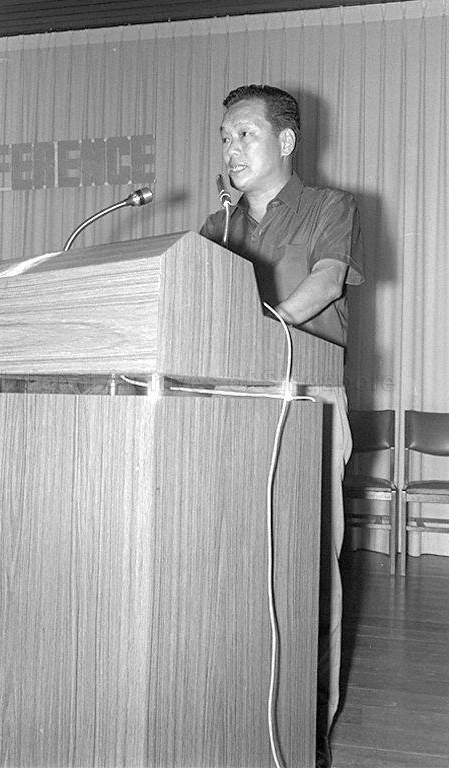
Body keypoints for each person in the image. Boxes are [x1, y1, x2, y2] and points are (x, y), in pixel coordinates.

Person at [200, 84, 364, 768]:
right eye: (226, 137)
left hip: (310, 403)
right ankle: (234, 714)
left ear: (286, 142)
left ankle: (307, 732)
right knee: (229, 567)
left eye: (247, 134)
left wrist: (261, 330)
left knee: (308, 570)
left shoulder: (330, 207)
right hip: (228, 409)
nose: (232, 148)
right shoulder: (217, 230)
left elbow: (325, 283)